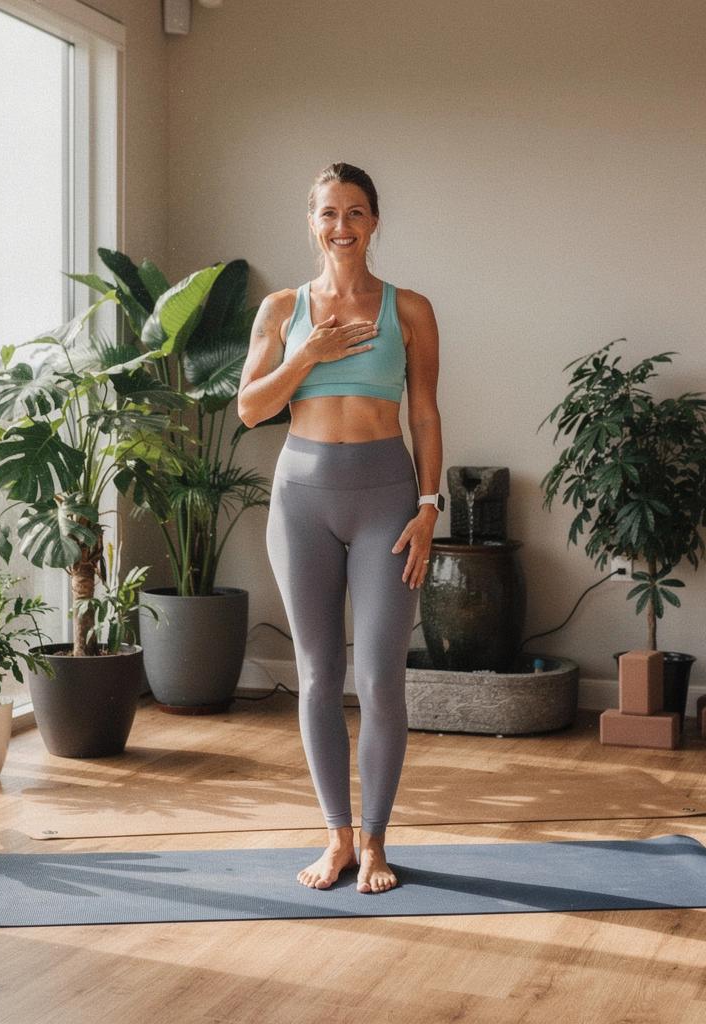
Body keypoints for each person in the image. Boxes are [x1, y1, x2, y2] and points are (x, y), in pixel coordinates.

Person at [237, 161, 443, 894]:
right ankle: (338, 838)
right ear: (312, 223)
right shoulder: (282, 308)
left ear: (374, 222)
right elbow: (251, 408)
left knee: (380, 677)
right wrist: (309, 354)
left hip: (387, 496)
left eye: (355, 213)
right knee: (320, 676)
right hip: (302, 500)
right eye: (328, 214)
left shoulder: (409, 309)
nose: (341, 227)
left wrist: (429, 505)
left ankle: (379, 842)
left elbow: (422, 413)